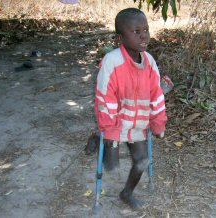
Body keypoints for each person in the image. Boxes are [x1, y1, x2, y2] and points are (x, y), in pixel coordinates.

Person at [94, 7, 167, 210]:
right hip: (116, 122)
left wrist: (158, 123)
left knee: (142, 161)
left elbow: (157, 95)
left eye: (146, 29)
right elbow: (104, 98)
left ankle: (126, 193)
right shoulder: (112, 62)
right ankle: (100, 139)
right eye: (136, 31)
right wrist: (109, 129)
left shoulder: (150, 62)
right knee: (111, 165)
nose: (143, 35)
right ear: (120, 38)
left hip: (138, 125)